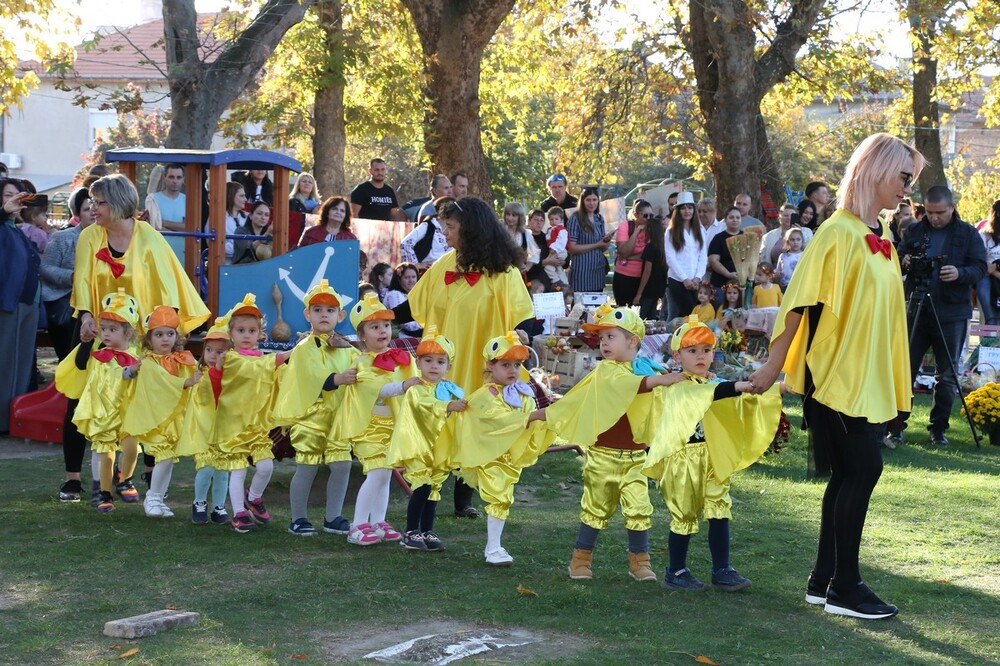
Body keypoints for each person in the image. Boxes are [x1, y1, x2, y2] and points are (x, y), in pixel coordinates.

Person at [749, 132, 927, 620]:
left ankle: (824, 580)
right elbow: (798, 304)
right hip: (835, 376)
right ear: (875, 171)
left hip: (865, 377)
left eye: (911, 180)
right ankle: (845, 588)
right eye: (903, 177)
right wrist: (772, 366)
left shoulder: (881, 234)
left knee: (851, 472)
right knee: (864, 469)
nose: (906, 189)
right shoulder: (836, 233)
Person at [59, 174, 209, 504]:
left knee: (142, 401)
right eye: (92, 202)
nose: (93, 208)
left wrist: (162, 335)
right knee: (81, 399)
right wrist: (86, 316)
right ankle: (73, 479)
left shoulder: (150, 238)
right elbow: (82, 279)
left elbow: (168, 286)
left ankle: (134, 475)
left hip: (138, 337)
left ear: (118, 204)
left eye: (99, 202)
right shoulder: (89, 236)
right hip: (96, 330)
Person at [401, 197, 536, 519]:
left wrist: (523, 333)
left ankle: (464, 498)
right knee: (440, 423)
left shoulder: (503, 272)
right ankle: (427, 500)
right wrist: (378, 317)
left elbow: (523, 313)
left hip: (482, 363)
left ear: (471, 230)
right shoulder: (444, 264)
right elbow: (414, 303)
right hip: (443, 364)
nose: (445, 233)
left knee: (474, 423)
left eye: (450, 227)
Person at [528, 306, 685, 581]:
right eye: (602, 338)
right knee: (595, 509)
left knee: (639, 509)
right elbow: (619, 387)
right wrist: (540, 414)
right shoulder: (608, 371)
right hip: (603, 456)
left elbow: (658, 393)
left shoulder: (646, 369)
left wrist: (691, 381)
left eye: (611, 336)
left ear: (632, 341)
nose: (604, 343)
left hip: (636, 457)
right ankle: (580, 560)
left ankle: (640, 562)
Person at [644, 316, 780, 591]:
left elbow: (726, 398)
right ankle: (676, 571)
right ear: (677, 355)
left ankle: (722, 569)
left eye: (706, 350)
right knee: (685, 514)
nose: (700, 356)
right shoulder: (678, 386)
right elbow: (713, 393)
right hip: (683, 461)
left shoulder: (711, 381)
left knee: (719, 508)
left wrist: (775, 388)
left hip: (712, 457)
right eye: (692, 350)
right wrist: (740, 386)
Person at [444, 333, 554, 565]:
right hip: (488, 455)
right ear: (490, 365)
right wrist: (533, 415)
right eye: (505, 365)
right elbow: (498, 419)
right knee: (499, 497)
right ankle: (493, 548)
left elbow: (526, 419)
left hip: (508, 457)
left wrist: (543, 417)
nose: (513, 370)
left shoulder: (522, 393)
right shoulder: (485, 396)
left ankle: (494, 547)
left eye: (517, 365)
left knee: (504, 497)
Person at [889, 185, 986, 447]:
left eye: (940, 212)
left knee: (947, 374)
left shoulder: (967, 234)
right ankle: (895, 427)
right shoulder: (914, 230)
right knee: (904, 370)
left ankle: (939, 429)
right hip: (916, 307)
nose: (934, 217)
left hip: (951, 311)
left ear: (952, 207)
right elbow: (896, 257)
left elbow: (980, 267)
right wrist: (903, 260)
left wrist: (959, 273)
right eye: (930, 212)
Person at [272, 280, 360, 536]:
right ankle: (298, 518)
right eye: (318, 309)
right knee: (307, 466)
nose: (324, 314)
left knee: (342, 464)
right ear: (307, 314)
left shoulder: (346, 348)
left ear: (340, 316)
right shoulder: (304, 348)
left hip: (339, 418)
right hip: (310, 417)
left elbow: (362, 367)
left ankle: (333, 517)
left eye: (330, 310)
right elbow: (312, 375)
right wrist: (338, 378)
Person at [335, 293, 419, 546]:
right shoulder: (362, 363)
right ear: (362, 335)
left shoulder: (400, 359)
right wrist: (404, 385)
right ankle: (358, 524)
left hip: (391, 427)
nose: (382, 330)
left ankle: (378, 521)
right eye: (374, 327)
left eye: (385, 325)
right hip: (369, 428)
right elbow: (378, 389)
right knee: (377, 473)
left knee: (385, 475)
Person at [54, 289, 141, 513]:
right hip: (104, 414)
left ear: (128, 333)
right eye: (104, 328)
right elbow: (81, 364)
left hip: (128, 413)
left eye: (113, 329)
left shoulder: (137, 354)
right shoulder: (99, 352)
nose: (106, 334)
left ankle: (124, 479)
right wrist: (86, 341)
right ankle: (103, 492)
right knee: (105, 455)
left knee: (131, 448)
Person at [386, 325, 467, 551]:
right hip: (418, 447)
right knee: (421, 486)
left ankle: (428, 531)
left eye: (440, 362)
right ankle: (411, 531)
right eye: (428, 360)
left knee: (433, 489)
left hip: (439, 449)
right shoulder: (417, 390)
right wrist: (448, 406)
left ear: (448, 366)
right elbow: (426, 406)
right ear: (418, 363)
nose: (434, 366)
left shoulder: (452, 390)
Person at [213, 294, 287, 533]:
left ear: (260, 334)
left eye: (252, 331)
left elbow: (270, 375)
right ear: (231, 334)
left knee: (266, 467)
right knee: (238, 469)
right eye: (241, 330)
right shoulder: (231, 358)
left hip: (255, 426)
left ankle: (253, 497)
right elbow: (255, 369)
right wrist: (293, 352)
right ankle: (239, 513)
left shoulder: (261, 359)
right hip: (233, 426)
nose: (246, 335)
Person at [122, 305, 200, 518]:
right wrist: (186, 382)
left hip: (172, 420)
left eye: (170, 334)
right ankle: (153, 497)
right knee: (164, 457)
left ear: (176, 336)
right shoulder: (148, 363)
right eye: (159, 334)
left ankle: (159, 499)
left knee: (169, 460)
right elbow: (162, 382)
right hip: (154, 420)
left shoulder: (181, 359)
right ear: (149, 339)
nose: (165, 339)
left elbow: (197, 374)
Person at [174, 317, 232, 526]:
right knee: (206, 468)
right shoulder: (198, 375)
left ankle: (219, 507)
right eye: (209, 350)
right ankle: (199, 503)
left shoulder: (231, 377)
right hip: (203, 432)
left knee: (222, 471)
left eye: (219, 351)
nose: (213, 355)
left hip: (223, 432)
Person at [0, 183, 41, 435]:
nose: (14, 199)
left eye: (17, 195)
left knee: (21, 363)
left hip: (28, 303)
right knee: (5, 361)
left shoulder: (17, 229)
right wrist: (3, 211)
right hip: (8, 302)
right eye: (7, 195)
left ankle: (13, 419)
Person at [41, 188, 94, 361]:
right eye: (87, 209)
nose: (93, 213)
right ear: (77, 214)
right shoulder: (63, 237)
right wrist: (73, 277)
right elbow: (45, 268)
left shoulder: (110, 238)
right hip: (66, 300)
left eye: (95, 208)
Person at [664, 192, 706, 319]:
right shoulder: (671, 232)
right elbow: (671, 258)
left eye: (689, 208)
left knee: (696, 313)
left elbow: (703, 256)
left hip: (696, 280)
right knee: (688, 312)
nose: (687, 211)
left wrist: (697, 277)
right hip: (678, 279)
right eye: (683, 208)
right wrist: (685, 279)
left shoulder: (700, 230)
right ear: (678, 211)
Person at [567, 187, 610, 294]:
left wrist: (606, 242)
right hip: (582, 272)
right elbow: (571, 248)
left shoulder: (599, 218)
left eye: (594, 200)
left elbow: (602, 247)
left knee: (598, 303)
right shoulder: (575, 219)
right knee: (581, 303)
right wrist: (597, 245)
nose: (592, 203)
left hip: (598, 271)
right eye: (588, 200)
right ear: (582, 201)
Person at [612, 199, 653, 307]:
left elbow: (651, 256)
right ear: (635, 215)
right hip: (623, 276)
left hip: (643, 278)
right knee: (623, 310)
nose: (648, 219)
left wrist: (630, 257)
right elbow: (624, 252)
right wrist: (636, 231)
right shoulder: (625, 226)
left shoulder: (653, 229)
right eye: (645, 216)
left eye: (651, 215)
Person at [399, 196, 454, 269]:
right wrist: (415, 265)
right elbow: (406, 243)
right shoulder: (429, 226)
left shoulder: (456, 229)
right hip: (430, 271)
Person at [633, 215, 668, 320]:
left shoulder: (650, 247)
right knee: (652, 316)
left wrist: (639, 293)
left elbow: (647, 271)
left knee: (641, 316)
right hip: (659, 287)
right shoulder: (663, 246)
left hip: (649, 288)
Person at [150, 164, 187, 260]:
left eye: (179, 177)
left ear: (183, 179)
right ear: (164, 178)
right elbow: (153, 227)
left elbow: (189, 228)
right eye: (171, 177)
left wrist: (162, 223)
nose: (175, 181)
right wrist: (179, 228)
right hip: (159, 254)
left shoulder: (188, 201)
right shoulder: (153, 199)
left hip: (182, 255)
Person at [707, 206, 743, 299]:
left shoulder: (746, 237)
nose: (735, 220)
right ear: (725, 220)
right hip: (721, 284)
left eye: (738, 217)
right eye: (731, 217)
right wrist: (728, 274)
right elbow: (713, 260)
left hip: (742, 284)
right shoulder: (718, 238)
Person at [761, 203, 812, 268]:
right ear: (779, 217)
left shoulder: (807, 232)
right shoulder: (768, 236)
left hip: (800, 270)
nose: (789, 218)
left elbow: (810, 251)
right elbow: (763, 260)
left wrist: (800, 233)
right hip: (775, 272)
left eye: (791, 215)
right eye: (786, 215)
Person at [977, 199, 1000, 326]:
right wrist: (993, 270)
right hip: (987, 276)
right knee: (982, 282)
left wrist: (995, 267)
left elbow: (991, 267)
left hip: (994, 272)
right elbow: (980, 264)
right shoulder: (984, 235)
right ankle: (990, 322)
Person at [383, 263, 422, 338]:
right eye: (406, 277)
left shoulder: (412, 295)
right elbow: (406, 324)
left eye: (413, 277)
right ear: (399, 279)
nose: (411, 280)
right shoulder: (394, 295)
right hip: (401, 337)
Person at [217, 182, 247, 264]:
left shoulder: (247, 217)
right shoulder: (218, 218)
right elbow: (216, 245)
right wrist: (242, 249)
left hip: (246, 264)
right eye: (241, 196)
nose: (245, 199)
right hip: (226, 265)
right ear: (231, 196)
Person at [542, 206, 570, 289]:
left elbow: (561, 241)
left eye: (556, 219)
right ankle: (565, 283)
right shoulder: (550, 229)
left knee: (548, 267)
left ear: (561, 220)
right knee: (558, 268)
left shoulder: (561, 229)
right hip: (555, 250)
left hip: (559, 250)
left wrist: (554, 248)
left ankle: (556, 281)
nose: (554, 221)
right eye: (551, 219)